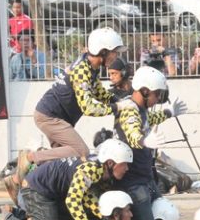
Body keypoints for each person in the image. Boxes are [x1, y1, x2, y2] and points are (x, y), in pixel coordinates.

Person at [0, 138, 134, 220]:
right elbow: (73, 200)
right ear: (110, 163)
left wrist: (106, 216)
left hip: (49, 192)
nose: (127, 169)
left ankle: (19, 215)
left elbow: (86, 196)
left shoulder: (97, 168)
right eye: (124, 164)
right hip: (37, 190)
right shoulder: (91, 169)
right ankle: (2, 219)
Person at [16, 27, 126, 181]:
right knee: (81, 152)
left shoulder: (90, 67)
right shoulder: (82, 70)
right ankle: (30, 157)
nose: (116, 56)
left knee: (64, 164)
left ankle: (21, 181)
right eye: (114, 52)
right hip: (50, 117)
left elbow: (100, 93)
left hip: (55, 117)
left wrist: (120, 100)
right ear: (102, 51)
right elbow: (88, 107)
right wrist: (117, 107)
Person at [113, 65, 187, 220]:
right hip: (134, 182)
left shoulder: (141, 110)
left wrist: (169, 113)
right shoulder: (129, 109)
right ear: (145, 91)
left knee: (163, 218)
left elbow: (149, 119)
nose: (158, 99)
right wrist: (143, 141)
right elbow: (132, 131)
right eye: (156, 94)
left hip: (145, 179)